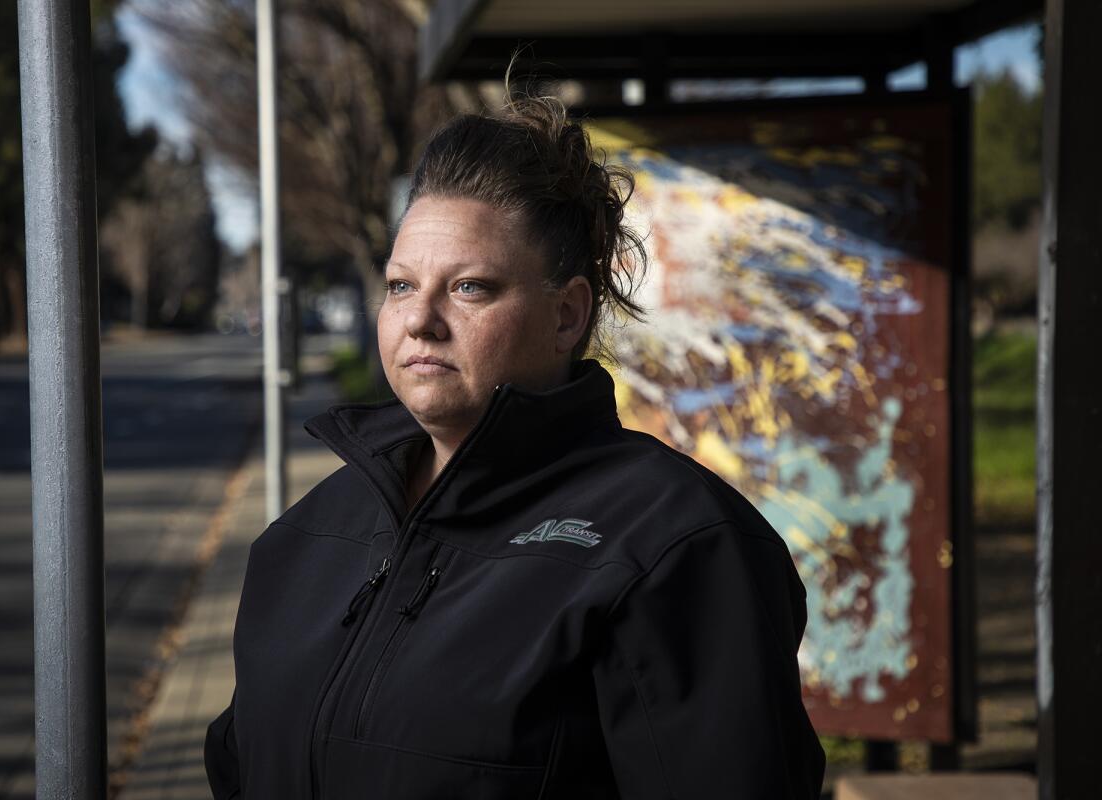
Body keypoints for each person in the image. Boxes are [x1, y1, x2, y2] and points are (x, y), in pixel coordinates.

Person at [204, 83, 826, 799]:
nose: (421, 321)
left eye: (470, 288)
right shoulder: (305, 536)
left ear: (566, 315)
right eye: (401, 286)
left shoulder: (676, 546)